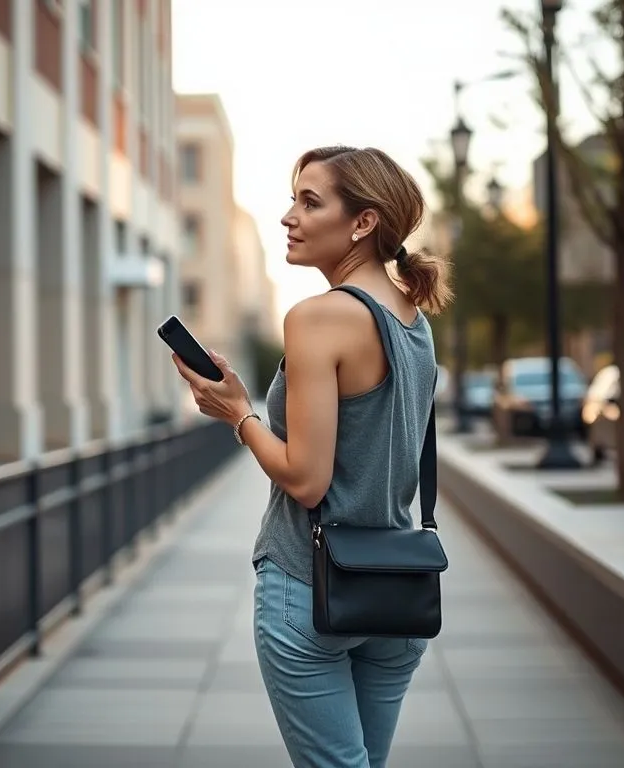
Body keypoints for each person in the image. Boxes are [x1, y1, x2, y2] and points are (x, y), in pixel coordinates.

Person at [171, 145, 451, 768]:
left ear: (363, 223)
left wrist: (239, 414)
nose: (287, 217)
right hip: (397, 588)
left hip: (312, 585)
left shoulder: (318, 318)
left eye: (309, 201)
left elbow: (305, 478)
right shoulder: (412, 317)